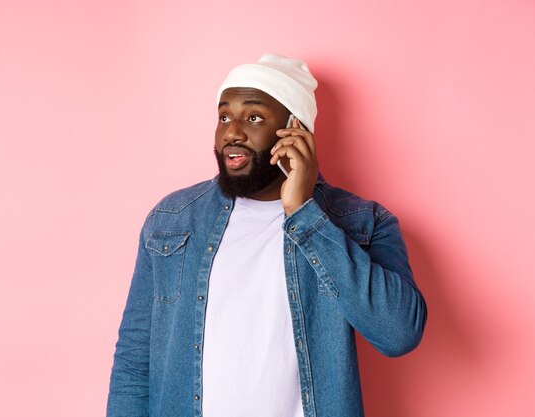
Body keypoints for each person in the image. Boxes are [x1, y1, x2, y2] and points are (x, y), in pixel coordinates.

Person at [106, 54, 427, 417]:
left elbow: (399, 334)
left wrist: (304, 214)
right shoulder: (171, 220)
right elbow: (135, 360)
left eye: (253, 117)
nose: (232, 132)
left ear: (296, 130)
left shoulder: (362, 222)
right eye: (224, 116)